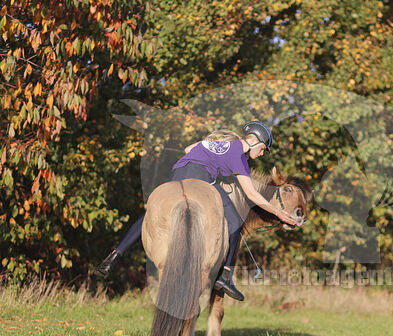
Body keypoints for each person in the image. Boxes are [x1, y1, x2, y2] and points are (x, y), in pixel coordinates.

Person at [94, 121, 296, 301]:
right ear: (253, 141)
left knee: (150, 214)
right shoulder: (240, 157)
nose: (262, 153)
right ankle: (226, 276)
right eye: (262, 148)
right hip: (201, 178)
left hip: (179, 174)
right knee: (235, 220)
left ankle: (115, 254)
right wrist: (278, 213)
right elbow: (251, 194)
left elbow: (187, 148)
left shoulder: (217, 143)